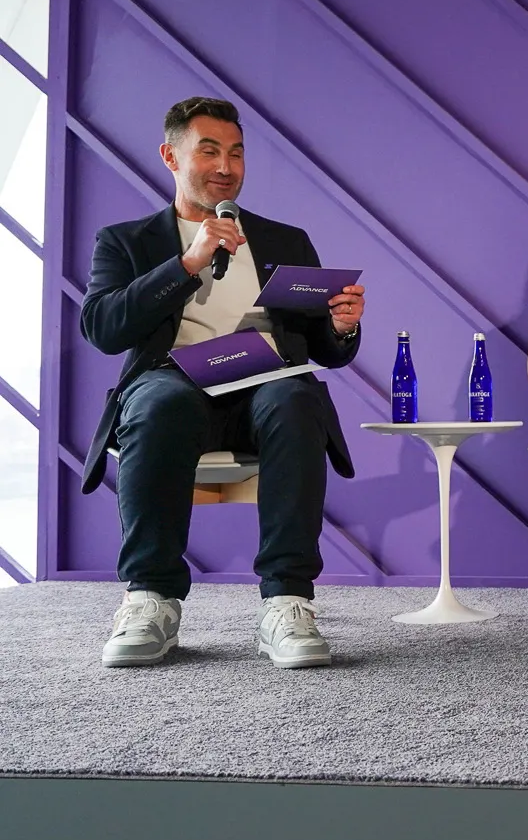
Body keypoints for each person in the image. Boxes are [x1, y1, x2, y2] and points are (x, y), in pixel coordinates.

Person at [81, 97, 366, 669]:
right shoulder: (126, 241)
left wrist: (341, 327)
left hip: (266, 385)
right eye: (208, 150)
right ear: (171, 155)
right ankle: (150, 600)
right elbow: (104, 328)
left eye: (235, 153)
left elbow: (325, 349)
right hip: (174, 384)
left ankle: (287, 602)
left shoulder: (285, 240)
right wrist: (187, 263)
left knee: (297, 394)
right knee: (158, 401)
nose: (225, 165)